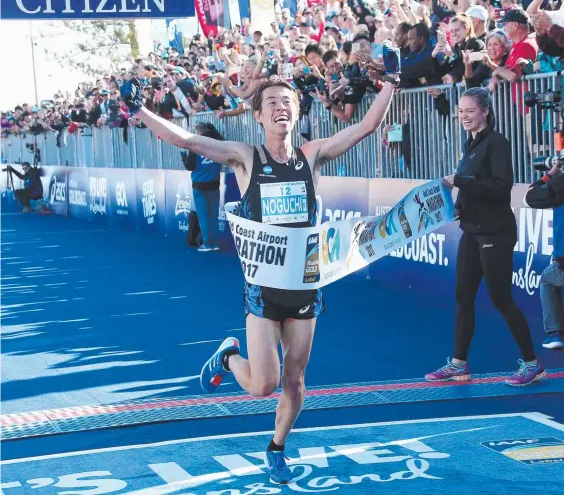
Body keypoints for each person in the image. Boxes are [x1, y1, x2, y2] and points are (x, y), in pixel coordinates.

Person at [120, 46, 401, 484]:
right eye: (271, 103)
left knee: (296, 381)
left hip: (305, 285)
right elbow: (187, 140)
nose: (280, 108)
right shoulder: (246, 157)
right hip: (264, 289)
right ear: (259, 116)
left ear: (297, 111)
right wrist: (140, 109)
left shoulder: (312, 155)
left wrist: (391, 83)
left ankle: (276, 448)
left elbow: (367, 126)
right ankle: (229, 356)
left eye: (287, 102)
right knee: (262, 386)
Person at [425, 87, 545, 387]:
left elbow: (501, 187)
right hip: (472, 230)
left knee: (501, 299)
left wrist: (460, 180)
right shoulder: (471, 143)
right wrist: (459, 207)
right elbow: (474, 188)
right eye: (461, 111)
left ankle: (533, 365)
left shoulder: (497, 143)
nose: (464, 116)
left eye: (470, 110)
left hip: (496, 232)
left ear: (485, 112)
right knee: (463, 297)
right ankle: (458, 365)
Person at [525, 159, 564, 350]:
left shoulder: (561, 183)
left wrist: (551, 174)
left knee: (547, 279)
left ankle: (555, 333)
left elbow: (530, 196)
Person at [180, 123, 223, 252]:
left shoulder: (195, 146)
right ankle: (215, 243)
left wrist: (183, 156)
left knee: (203, 216)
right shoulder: (218, 144)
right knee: (214, 216)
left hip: (200, 185)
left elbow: (190, 166)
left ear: (198, 133)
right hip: (214, 183)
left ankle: (207, 244)